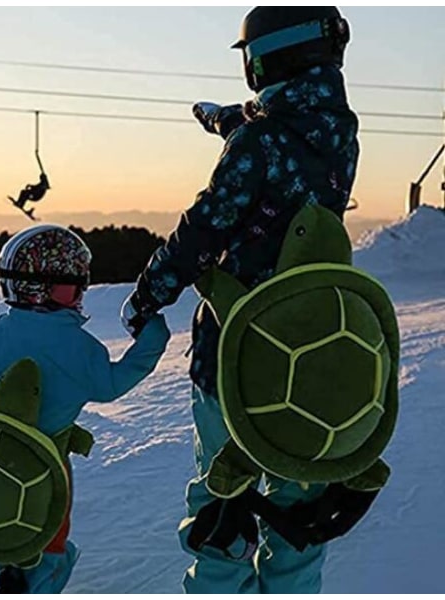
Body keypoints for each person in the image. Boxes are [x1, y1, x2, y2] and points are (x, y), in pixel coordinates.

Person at [121, 6, 359, 594]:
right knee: (296, 502)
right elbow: (282, 147)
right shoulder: (339, 133)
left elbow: (203, 230)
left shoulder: (257, 142)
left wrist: (147, 296)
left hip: (234, 353)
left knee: (219, 506)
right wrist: (225, 121)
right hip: (307, 354)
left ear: (264, 61)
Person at [0, 224, 170, 594]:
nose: (80, 294)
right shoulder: (80, 348)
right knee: (41, 550)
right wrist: (153, 337)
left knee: (4, 537)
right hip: (45, 472)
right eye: (73, 286)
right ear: (42, 288)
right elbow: (113, 384)